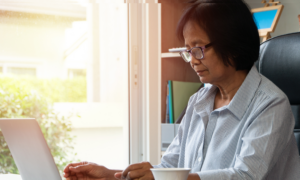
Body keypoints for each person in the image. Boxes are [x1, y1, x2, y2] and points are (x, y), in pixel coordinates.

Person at [63, 0, 300, 179]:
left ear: (234, 45)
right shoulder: (200, 100)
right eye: (188, 51)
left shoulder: (271, 104)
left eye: (199, 48)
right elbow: (169, 169)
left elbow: (245, 176)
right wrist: (110, 175)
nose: (193, 59)